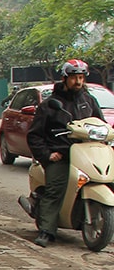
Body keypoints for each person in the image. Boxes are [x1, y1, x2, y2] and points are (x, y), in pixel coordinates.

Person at [22, 59, 105, 247]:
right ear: (65, 79)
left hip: (86, 153)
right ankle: (46, 230)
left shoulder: (89, 100)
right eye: (74, 78)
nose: (78, 82)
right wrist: (47, 154)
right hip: (61, 155)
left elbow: (101, 124)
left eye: (81, 78)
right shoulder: (51, 105)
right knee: (55, 189)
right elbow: (35, 135)